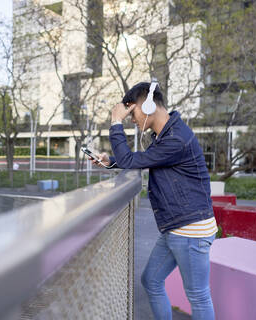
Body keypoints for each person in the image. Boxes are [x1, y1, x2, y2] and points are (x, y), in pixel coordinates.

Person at [90, 82, 217, 320]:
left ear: (148, 105)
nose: (131, 120)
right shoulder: (166, 135)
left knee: (198, 296)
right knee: (151, 280)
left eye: (132, 112)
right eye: (126, 116)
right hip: (177, 227)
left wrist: (115, 122)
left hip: (191, 230)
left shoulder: (177, 138)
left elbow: (134, 159)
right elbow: (140, 159)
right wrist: (112, 162)